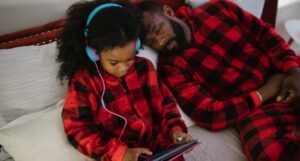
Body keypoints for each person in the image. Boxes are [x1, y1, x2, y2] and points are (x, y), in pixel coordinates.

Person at [137, 0, 300, 161]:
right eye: (151, 42)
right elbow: (208, 114)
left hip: (287, 77)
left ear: (169, 12)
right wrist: (266, 91)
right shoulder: (170, 68)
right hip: (254, 111)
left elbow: (265, 34)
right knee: (268, 152)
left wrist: (293, 70)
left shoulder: (219, 9)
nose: (159, 41)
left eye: (157, 30)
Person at [56, 1, 193, 161]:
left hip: (161, 149)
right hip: (121, 155)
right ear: (94, 52)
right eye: (114, 62)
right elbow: (77, 129)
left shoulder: (144, 67)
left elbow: (165, 105)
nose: (123, 69)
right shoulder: (84, 83)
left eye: (129, 58)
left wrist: (175, 130)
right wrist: (120, 153)